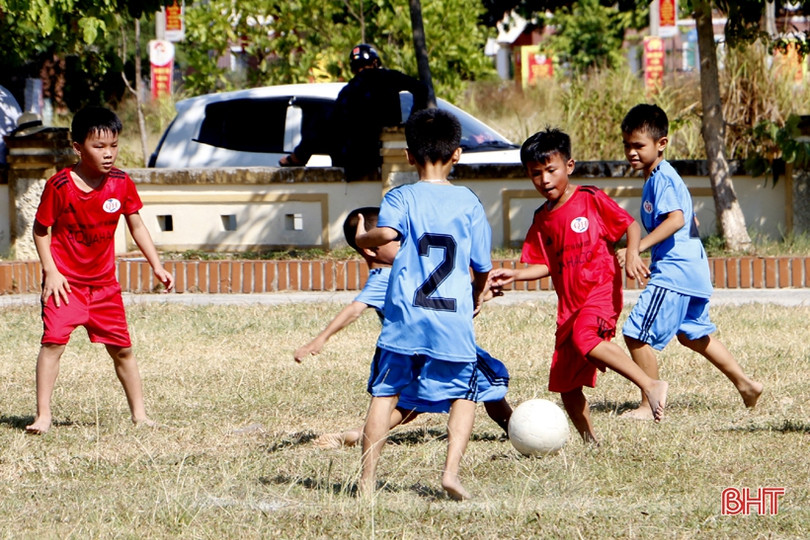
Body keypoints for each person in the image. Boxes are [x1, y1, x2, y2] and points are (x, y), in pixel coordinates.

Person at [488, 128, 668, 444]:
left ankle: (650, 385)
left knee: (585, 336)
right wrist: (514, 275)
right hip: (568, 307)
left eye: (551, 170)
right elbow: (545, 264)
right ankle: (590, 441)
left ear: (569, 166)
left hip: (599, 293)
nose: (544, 180)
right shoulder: (541, 219)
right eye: (535, 174)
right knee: (565, 385)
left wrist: (634, 253)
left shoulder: (590, 198)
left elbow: (629, 225)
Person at [353, 108, 492, 500]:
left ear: (409, 156)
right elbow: (481, 265)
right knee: (465, 393)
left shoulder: (399, 196)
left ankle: (366, 483)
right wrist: (478, 292)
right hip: (451, 319)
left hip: (404, 320)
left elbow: (386, 234)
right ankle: (450, 473)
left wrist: (363, 238)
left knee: (385, 393)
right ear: (457, 154)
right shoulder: (469, 202)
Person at [294, 207, 512, 449]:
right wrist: (320, 339)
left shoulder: (405, 272)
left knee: (411, 406)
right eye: (397, 239)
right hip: (444, 345)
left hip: (417, 352)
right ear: (371, 247)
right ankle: (514, 428)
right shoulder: (383, 278)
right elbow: (354, 309)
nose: (405, 242)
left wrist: (480, 293)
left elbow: (437, 298)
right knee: (490, 384)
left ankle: (357, 435)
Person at [26, 106, 174, 434]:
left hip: (105, 286)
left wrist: (157, 265)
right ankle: (44, 415)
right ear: (78, 147)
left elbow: (136, 226)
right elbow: (40, 229)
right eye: (99, 146)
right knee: (53, 343)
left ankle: (140, 415)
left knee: (123, 350)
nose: (108, 154)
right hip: (66, 285)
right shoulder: (60, 185)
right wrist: (51, 270)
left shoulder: (121, 183)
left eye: (114, 146)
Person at [618, 104, 763, 420]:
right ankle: (747, 385)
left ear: (662, 144)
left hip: (676, 273)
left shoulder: (662, 177)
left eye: (639, 145)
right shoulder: (658, 178)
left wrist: (638, 247)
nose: (631, 152)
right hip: (693, 271)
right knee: (692, 334)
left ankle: (649, 403)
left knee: (636, 334)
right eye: (627, 145)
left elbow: (676, 220)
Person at [279, 43, 428, 181]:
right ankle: (299, 156)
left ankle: (299, 156)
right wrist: (412, 123)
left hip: (356, 159)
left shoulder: (349, 91)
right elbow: (422, 88)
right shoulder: (387, 78)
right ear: (375, 63)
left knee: (322, 118)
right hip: (380, 153)